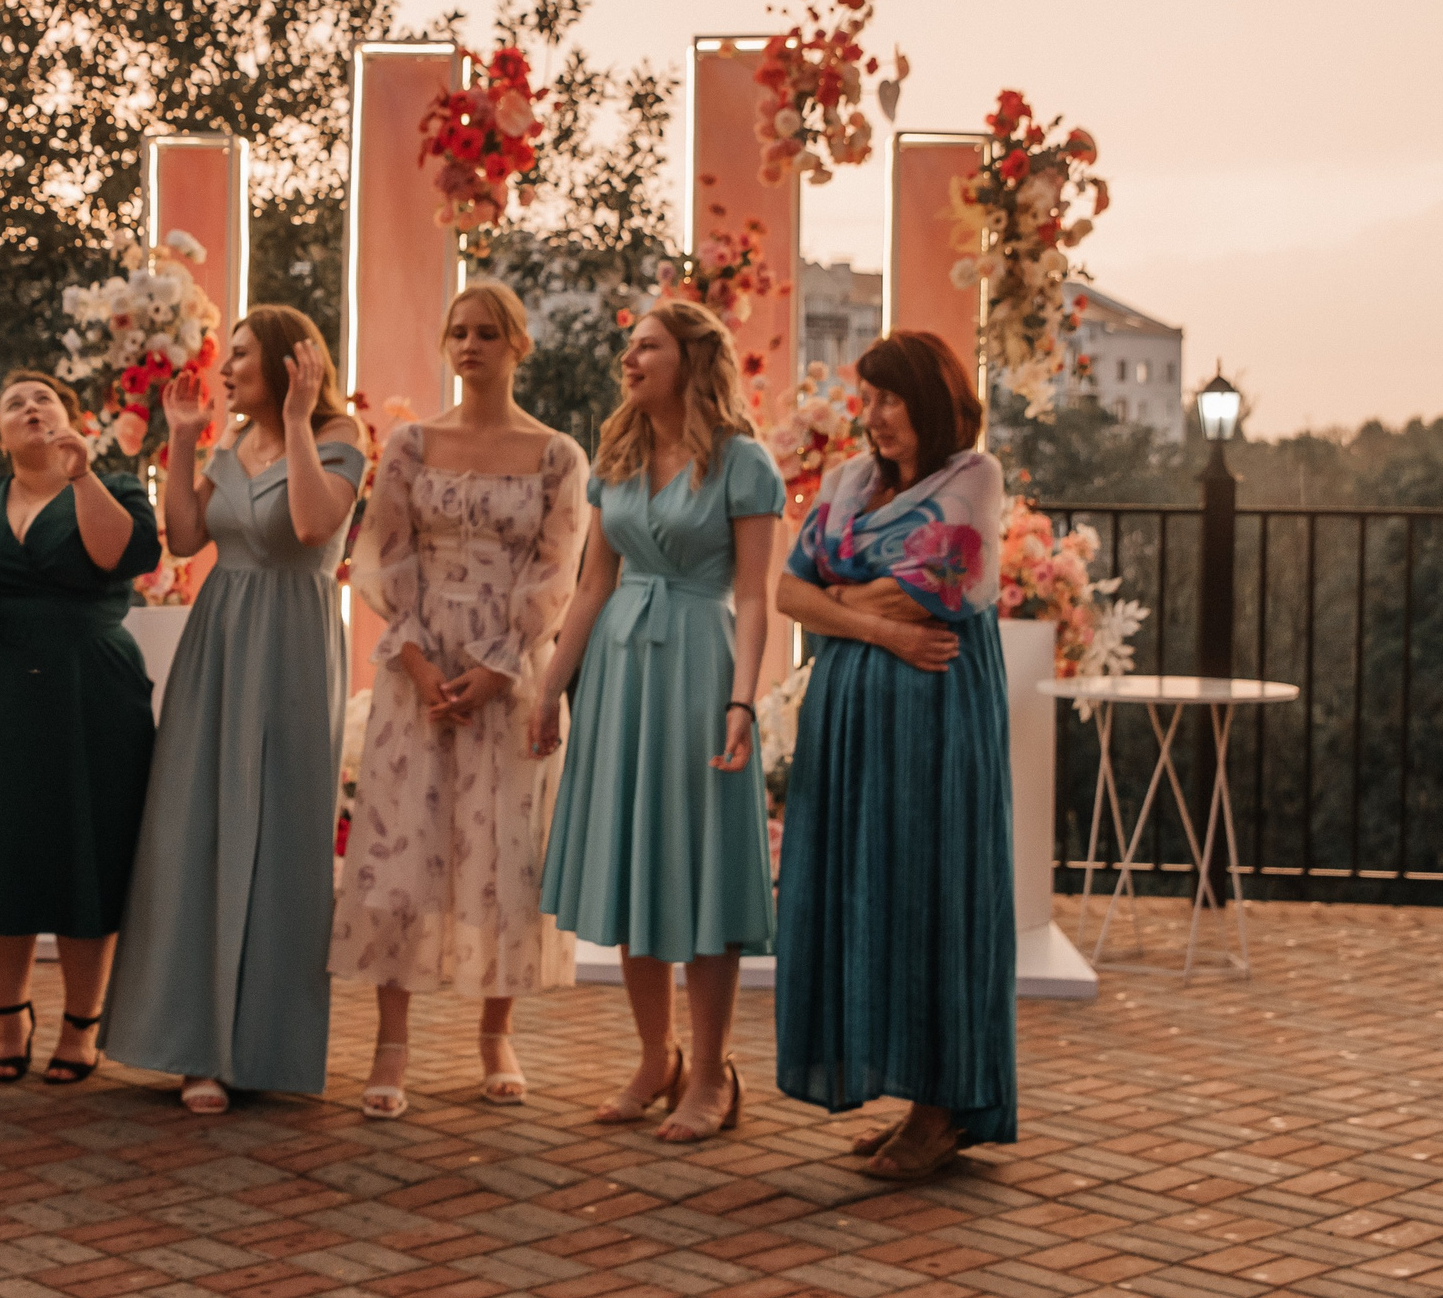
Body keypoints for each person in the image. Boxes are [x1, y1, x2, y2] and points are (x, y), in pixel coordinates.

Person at [331, 281, 590, 1119]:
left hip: (508, 674)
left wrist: (500, 667)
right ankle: (391, 1042)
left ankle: (494, 1033)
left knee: (504, 851)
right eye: (459, 332)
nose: (470, 345)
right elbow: (382, 552)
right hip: (419, 665)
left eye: (487, 332)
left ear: (518, 344)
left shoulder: (558, 455)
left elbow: (560, 571)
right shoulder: (410, 442)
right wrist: (414, 660)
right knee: (403, 850)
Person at [104, 307, 364, 1114]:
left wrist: (293, 420)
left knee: (282, 832)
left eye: (243, 355)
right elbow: (183, 537)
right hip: (218, 640)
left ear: (291, 363)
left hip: (293, 639)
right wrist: (181, 438)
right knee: (195, 827)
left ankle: (263, 1046)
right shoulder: (228, 443)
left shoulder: (339, 437)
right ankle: (193, 1047)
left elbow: (314, 523)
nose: (227, 369)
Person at [536, 301, 782, 1141]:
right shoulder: (618, 455)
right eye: (629, 346)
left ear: (691, 359)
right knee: (633, 860)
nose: (629, 359)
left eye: (647, 346)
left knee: (704, 866)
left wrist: (743, 700)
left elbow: (753, 597)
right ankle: (655, 1056)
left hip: (701, 667)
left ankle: (712, 1073)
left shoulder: (744, 464)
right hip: (619, 673)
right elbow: (591, 585)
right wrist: (547, 689)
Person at [774, 329, 1013, 1181]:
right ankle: (913, 1095)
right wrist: (871, 618)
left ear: (930, 400)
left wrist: (840, 592)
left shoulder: (973, 478)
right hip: (852, 717)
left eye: (886, 398)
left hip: (937, 717)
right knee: (867, 890)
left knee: (932, 892)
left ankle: (944, 1108)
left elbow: (944, 590)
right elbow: (786, 588)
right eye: (864, 399)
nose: (870, 416)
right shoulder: (847, 483)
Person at [0, 370, 161, 1086]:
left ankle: (82, 1023)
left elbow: (130, 555)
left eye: (43, 398)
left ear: (72, 418)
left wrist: (84, 480)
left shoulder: (113, 484)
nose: (28, 408)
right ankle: (8, 1017)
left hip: (90, 688)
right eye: (14, 403)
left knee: (88, 844)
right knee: (0, 847)